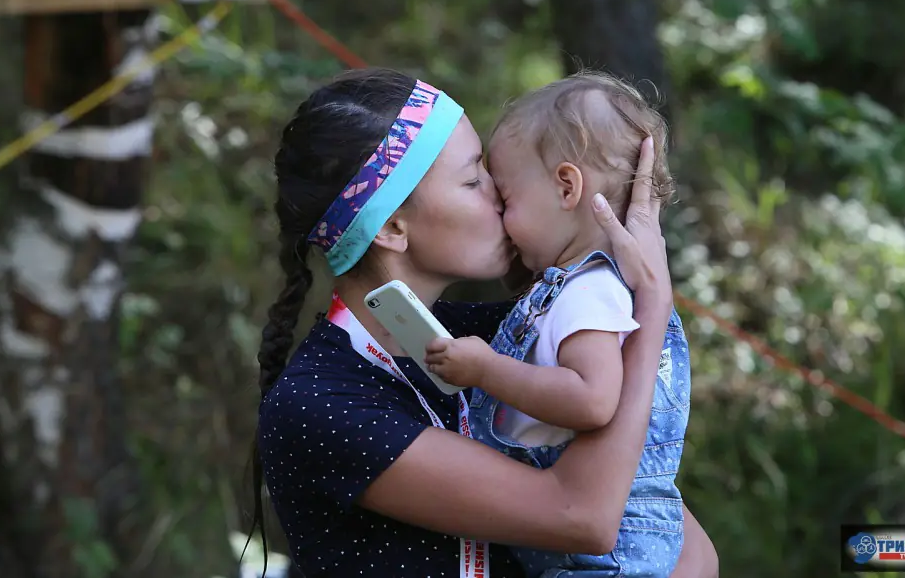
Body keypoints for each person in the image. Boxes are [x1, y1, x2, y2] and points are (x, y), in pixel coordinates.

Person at [252, 68, 718, 577]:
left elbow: (673, 542)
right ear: (391, 227)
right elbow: (584, 517)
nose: (501, 193)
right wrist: (650, 303)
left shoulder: (509, 334)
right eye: (474, 180)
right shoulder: (320, 403)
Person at [423, 71, 695, 578]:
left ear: (567, 187)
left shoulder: (587, 294)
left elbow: (591, 399)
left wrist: (485, 370)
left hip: (604, 563)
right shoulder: (583, 292)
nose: (499, 215)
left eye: (508, 200)